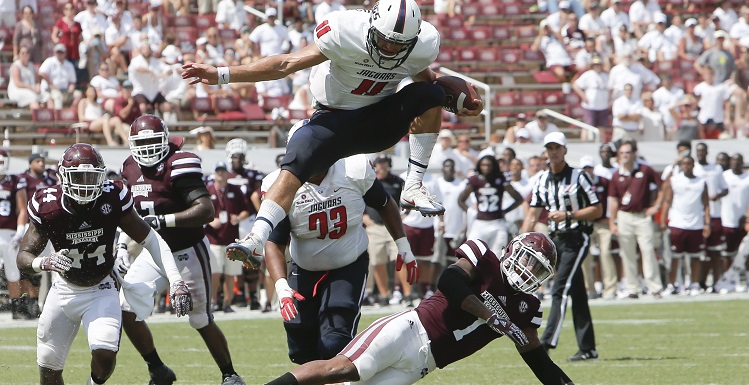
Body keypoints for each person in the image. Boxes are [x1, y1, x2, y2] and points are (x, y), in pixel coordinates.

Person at [182, 0, 484, 266]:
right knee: (296, 158)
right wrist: (222, 74)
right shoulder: (344, 31)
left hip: (379, 121)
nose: (390, 48)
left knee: (430, 94)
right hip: (332, 120)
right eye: (385, 40)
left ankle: (414, 185)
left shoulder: (422, 45)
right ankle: (256, 239)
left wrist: (456, 99)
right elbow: (285, 64)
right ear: (372, 25)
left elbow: (429, 80)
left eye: (398, 44)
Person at [263, 234, 575, 385]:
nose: (529, 269)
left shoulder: (528, 308)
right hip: (410, 330)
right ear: (512, 249)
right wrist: (490, 316)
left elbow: (540, 363)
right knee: (340, 369)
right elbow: (450, 281)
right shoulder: (484, 256)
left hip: (424, 364)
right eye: (527, 258)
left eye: (538, 267)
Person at [16, 143, 190, 385]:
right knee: (49, 372)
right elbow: (23, 256)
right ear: (62, 177)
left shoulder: (112, 196)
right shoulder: (48, 204)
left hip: (101, 288)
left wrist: (177, 280)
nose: (85, 185)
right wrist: (43, 262)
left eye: (91, 177)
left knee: (105, 355)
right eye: (79, 177)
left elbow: (151, 238)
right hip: (63, 291)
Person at [117, 115, 245, 385]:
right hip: (153, 253)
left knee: (200, 319)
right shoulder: (129, 167)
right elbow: (124, 211)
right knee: (126, 309)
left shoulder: (179, 162)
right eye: (142, 143)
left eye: (153, 141)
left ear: (165, 140)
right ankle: (158, 369)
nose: (148, 148)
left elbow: (206, 211)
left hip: (186, 250)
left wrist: (164, 220)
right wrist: (120, 245)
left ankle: (229, 374)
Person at [264, 145, 417, 364]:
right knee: (299, 343)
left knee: (334, 343)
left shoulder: (352, 170)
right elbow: (274, 241)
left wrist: (403, 245)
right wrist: (281, 286)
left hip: (348, 263)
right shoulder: (281, 185)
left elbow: (384, 203)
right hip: (304, 267)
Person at [521, 132, 602, 361]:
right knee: (576, 293)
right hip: (556, 240)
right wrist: (522, 240)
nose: (553, 151)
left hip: (577, 237)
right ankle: (588, 349)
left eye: (557, 147)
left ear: (565, 150)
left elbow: (598, 209)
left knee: (560, 288)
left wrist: (570, 214)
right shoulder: (542, 179)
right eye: (550, 148)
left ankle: (546, 343)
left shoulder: (579, 177)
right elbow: (533, 213)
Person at [608, 140, 664, 298]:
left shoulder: (645, 170)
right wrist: (612, 221)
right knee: (627, 253)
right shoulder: (616, 175)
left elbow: (662, 186)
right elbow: (613, 200)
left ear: (634, 154)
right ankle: (632, 288)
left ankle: (654, 287)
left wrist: (656, 207)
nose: (625, 155)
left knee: (647, 251)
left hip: (642, 216)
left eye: (627, 152)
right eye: (622, 153)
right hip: (624, 216)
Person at [660, 156, 710, 296]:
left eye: (689, 164)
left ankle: (694, 284)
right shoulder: (675, 180)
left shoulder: (701, 182)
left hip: (696, 224)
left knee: (695, 257)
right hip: (677, 223)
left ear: (693, 165)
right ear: (681, 165)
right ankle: (672, 284)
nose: (686, 166)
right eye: (684, 164)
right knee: (675, 257)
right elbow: (667, 201)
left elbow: (706, 204)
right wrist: (663, 220)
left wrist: (707, 223)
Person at [206, 161, 250, 313]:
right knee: (215, 273)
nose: (221, 174)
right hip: (214, 239)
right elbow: (200, 210)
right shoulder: (208, 189)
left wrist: (238, 218)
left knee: (231, 274)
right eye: (218, 171)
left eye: (223, 171)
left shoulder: (235, 190)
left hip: (231, 238)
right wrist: (210, 220)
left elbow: (247, 209)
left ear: (227, 173)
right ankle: (213, 301)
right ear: (214, 173)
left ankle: (227, 302)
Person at [458, 155, 524, 253]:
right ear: (479, 166)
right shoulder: (475, 180)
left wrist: (505, 211)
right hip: (479, 223)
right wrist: (470, 212)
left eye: (489, 165)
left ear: (494, 166)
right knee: (470, 254)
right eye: (483, 165)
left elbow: (519, 199)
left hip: (497, 223)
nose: (486, 168)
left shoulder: (500, 179)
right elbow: (460, 200)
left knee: (497, 256)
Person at [363, 153, 405, 306]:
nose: (382, 165)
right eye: (380, 163)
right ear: (375, 165)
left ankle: (402, 292)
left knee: (400, 258)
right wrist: (363, 217)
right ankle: (383, 294)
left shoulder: (397, 181)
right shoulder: (368, 181)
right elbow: (358, 200)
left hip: (393, 224)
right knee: (377, 261)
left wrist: (403, 216)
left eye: (385, 162)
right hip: (375, 225)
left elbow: (406, 201)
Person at [0, 151, 29, 320]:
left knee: (13, 272)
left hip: (10, 233)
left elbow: (22, 209)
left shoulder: (15, 181)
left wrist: (19, 232)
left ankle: (16, 308)